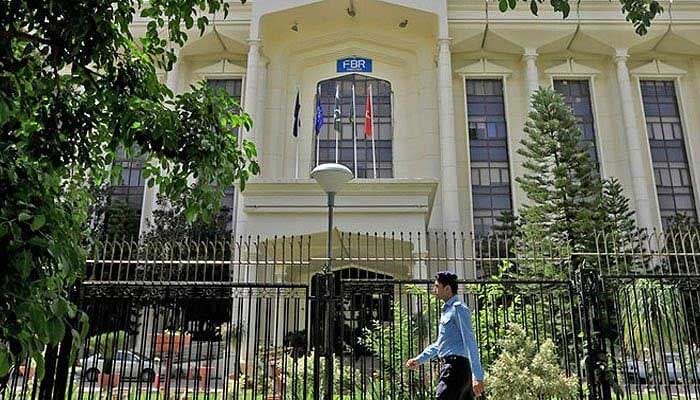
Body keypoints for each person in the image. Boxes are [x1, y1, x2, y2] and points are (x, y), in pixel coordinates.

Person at [406, 271, 485, 399]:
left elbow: (470, 341)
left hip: (456, 368)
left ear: (447, 289)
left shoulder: (458, 309)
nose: (434, 290)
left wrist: (477, 375)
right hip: (453, 367)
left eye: (437, 286)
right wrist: (419, 359)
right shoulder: (447, 310)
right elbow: (440, 344)